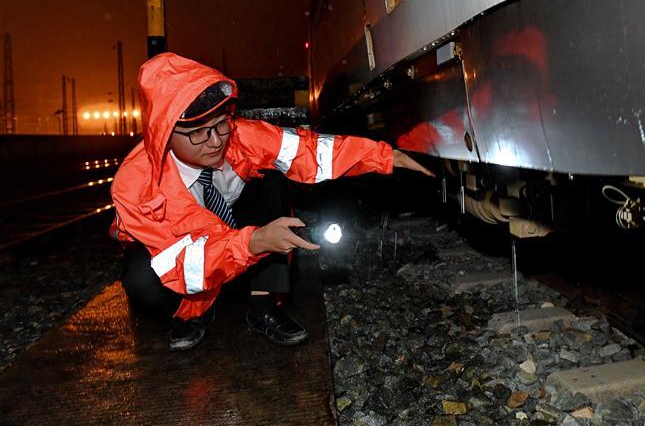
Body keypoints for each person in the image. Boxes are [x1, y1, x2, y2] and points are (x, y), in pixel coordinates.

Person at [110, 52, 433, 351]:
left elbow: (309, 151)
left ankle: (262, 307)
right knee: (142, 277)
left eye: (221, 124)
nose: (216, 140)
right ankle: (190, 314)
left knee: (272, 182)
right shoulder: (137, 183)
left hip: (233, 223)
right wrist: (253, 242)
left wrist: (386, 156)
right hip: (180, 249)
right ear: (164, 135)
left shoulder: (240, 136)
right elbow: (184, 265)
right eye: (199, 133)